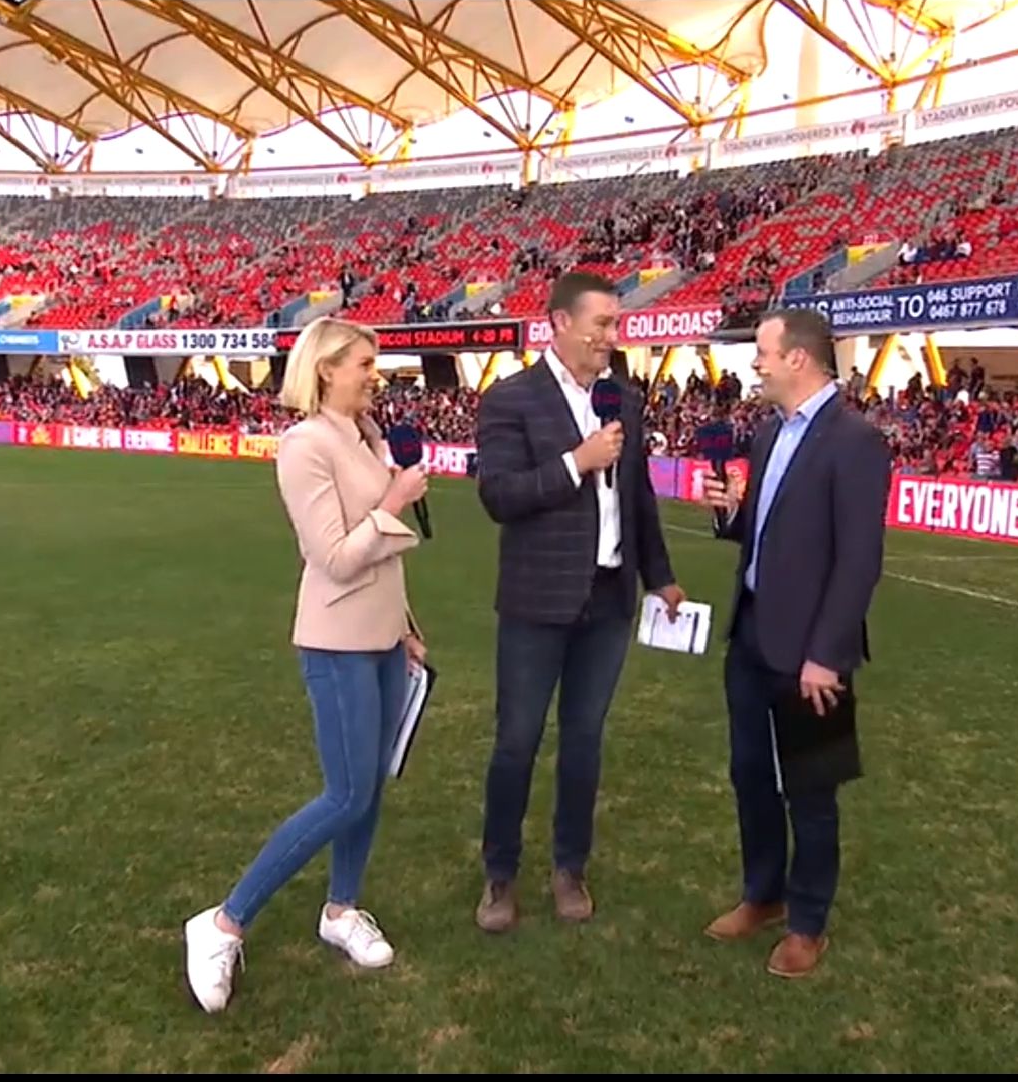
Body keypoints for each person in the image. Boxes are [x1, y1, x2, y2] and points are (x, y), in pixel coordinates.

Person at [182, 318, 430, 1014]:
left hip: (383, 639)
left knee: (369, 788)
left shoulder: (367, 434)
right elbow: (334, 558)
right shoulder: (304, 445)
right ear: (325, 369)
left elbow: (382, 558)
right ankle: (223, 923)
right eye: (363, 363)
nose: (375, 375)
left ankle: (341, 910)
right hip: (335, 640)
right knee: (346, 794)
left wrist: (405, 626)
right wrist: (392, 503)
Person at [473, 270, 685, 933]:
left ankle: (570, 867)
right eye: (602, 324)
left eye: (615, 325)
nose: (611, 337)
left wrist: (660, 576)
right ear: (560, 323)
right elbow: (499, 495)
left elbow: (638, 495)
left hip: (608, 601)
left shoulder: (623, 398)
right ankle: (500, 874)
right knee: (517, 741)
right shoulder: (510, 399)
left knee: (584, 741)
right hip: (536, 601)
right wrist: (577, 461)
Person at [699, 307, 891, 979]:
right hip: (752, 634)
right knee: (750, 776)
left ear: (798, 359)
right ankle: (764, 894)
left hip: (812, 650)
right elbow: (764, 529)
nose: (755, 364)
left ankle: (808, 923)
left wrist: (826, 654)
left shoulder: (855, 440)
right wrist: (730, 513)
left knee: (810, 789)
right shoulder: (768, 433)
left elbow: (859, 559)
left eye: (763, 353)